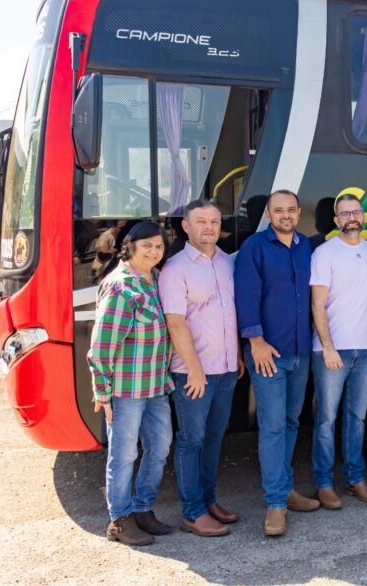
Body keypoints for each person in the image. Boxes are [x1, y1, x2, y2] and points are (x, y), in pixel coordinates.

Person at [234, 189, 320, 537]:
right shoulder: (254, 248)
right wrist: (255, 342)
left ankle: (285, 490)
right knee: (271, 427)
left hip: (300, 352)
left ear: (299, 213)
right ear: (269, 215)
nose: (285, 215)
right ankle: (274, 506)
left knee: (290, 422)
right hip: (268, 354)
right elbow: (246, 296)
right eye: (278, 210)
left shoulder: (305, 247)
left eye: (290, 210)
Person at [158, 199, 243, 538]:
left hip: (225, 369)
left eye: (213, 221)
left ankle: (209, 500)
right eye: (201, 222)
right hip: (194, 372)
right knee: (191, 440)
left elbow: (229, 313)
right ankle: (192, 511)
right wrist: (194, 371)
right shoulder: (175, 269)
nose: (208, 227)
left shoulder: (226, 263)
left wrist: (235, 355)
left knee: (213, 438)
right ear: (186, 227)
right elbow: (175, 324)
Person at [86, 221, 174, 546]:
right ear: (131, 246)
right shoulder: (121, 286)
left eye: (159, 246)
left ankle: (142, 509)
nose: (154, 251)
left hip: (156, 386)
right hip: (125, 391)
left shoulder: (157, 280)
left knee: (159, 448)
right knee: (123, 455)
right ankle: (119, 520)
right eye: (147, 245)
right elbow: (101, 347)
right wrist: (102, 392)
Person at [310, 194, 367, 508]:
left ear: (363, 217)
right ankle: (324, 483)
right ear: (336, 220)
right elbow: (317, 303)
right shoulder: (324, 253)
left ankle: (355, 479)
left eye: (356, 212)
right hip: (332, 350)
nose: (351, 217)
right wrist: (327, 347)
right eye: (345, 213)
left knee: (358, 418)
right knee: (326, 418)